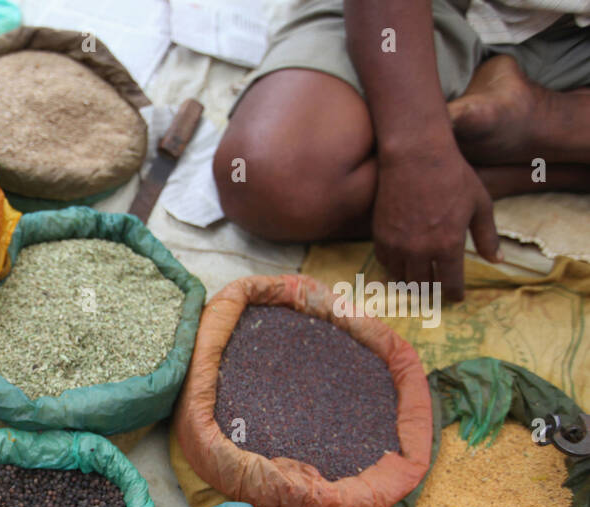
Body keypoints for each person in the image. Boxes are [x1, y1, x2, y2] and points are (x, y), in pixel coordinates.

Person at [214, 0, 590, 300]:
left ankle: (543, 121)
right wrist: (418, 150)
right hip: (413, 18)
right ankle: (553, 159)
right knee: (263, 175)